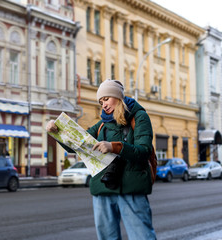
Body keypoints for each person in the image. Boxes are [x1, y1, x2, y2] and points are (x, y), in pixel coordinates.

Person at [46, 79, 156, 240]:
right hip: (103, 187)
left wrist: (115, 147)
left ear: (118, 97)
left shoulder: (138, 117)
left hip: (132, 188)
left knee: (142, 236)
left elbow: (144, 151)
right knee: (107, 237)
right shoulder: (101, 126)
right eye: (100, 101)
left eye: (106, 98)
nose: (103, 105)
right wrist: (57, 132)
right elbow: (75, 145)